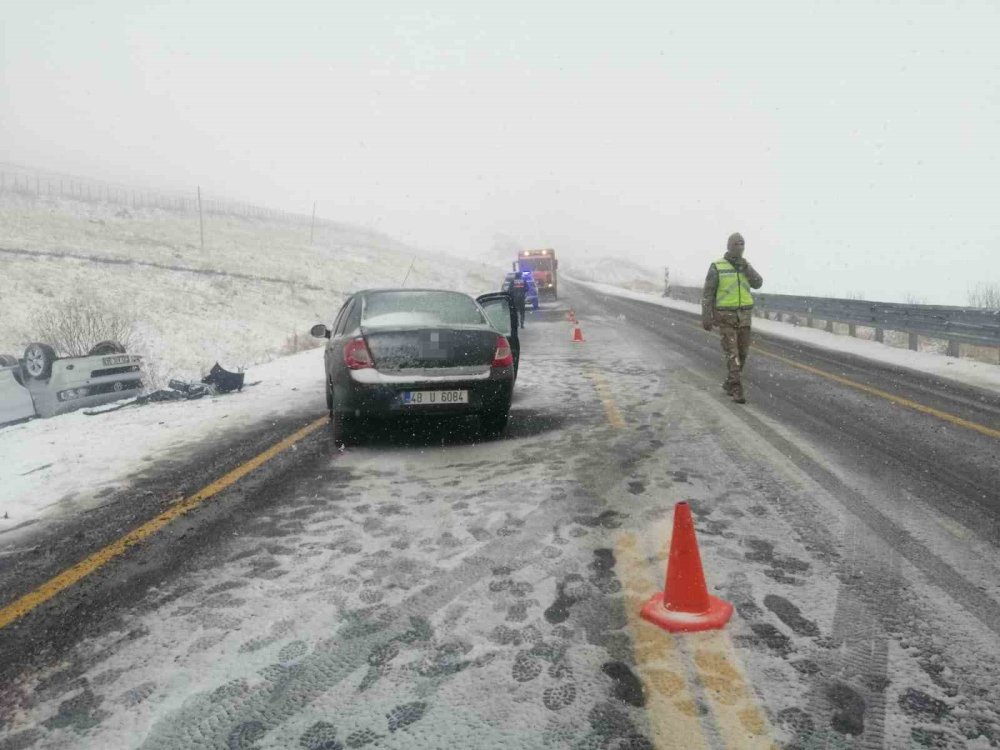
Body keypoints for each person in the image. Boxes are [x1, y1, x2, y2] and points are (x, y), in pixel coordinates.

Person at [701, 232, 763, 403]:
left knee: (743, 353)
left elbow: (758, 283)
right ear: (729, 246)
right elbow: (708, 294)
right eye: (736, 244)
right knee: (732, 354)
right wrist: (706, 316)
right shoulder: (717, 266)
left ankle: (729, 382)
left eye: (742, 244)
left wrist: (746, 267)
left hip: (744, 317)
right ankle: (736, 388)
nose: (740, 247)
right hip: (725, 317)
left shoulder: (745, 266)